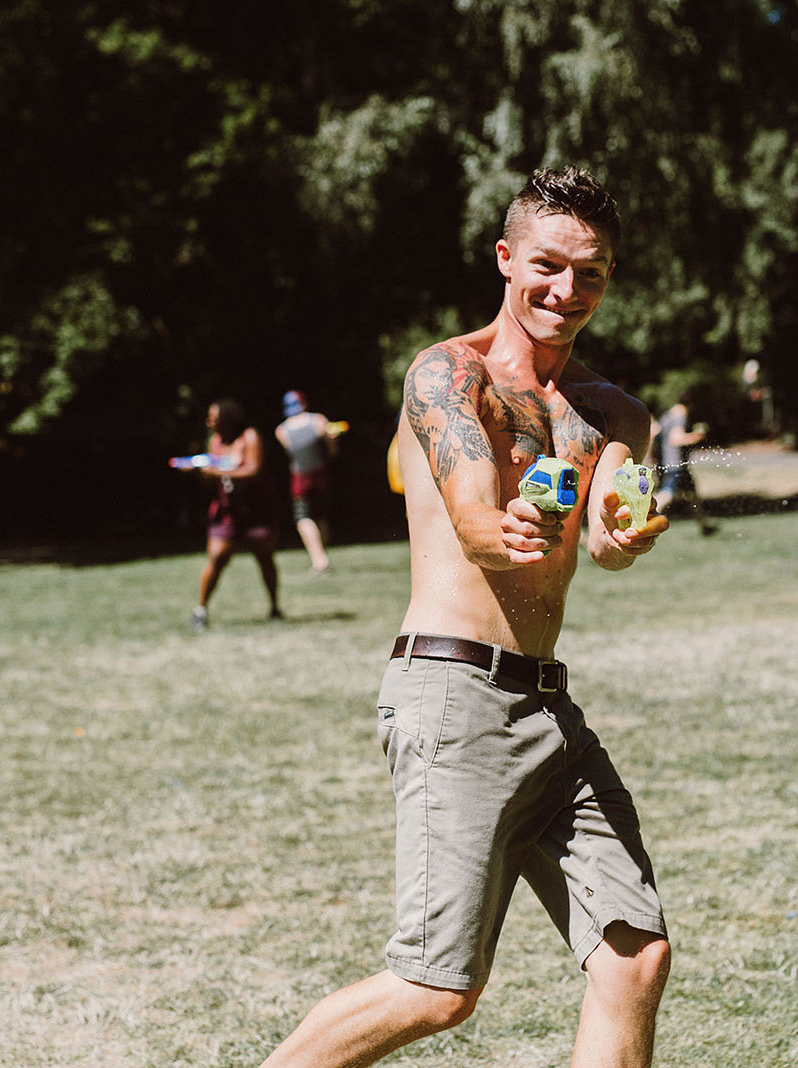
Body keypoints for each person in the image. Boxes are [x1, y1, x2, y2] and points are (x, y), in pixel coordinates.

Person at [257, 166, 671, 1068]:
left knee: (635, 955)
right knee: (438, 989)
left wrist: (622, 535)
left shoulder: (614, 414)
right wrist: (506, 525)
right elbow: (476, 516)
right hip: (455, 692)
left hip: (547, 706)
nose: (568, 291)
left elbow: (603, 538)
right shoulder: (451, 375)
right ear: (505, 259)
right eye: (548, 266)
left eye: (591, 272)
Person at [191, 398, 281, 630]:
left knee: (264, 557)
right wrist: (200, 473)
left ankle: (274, 607)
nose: (209, 421)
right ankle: (200, 610)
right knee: (217, 557)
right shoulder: (216, 441)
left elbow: (254, 470)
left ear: (228, 417)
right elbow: (212, 476)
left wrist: (214, 472)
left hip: (256, 509)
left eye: (214, 416)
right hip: (227, 510)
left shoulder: (249, 437)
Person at [274, 390, 343, 574]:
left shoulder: (281, 430)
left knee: (303, 517)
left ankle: (319, 560)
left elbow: (291, 453)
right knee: (321, 515)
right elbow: (332, 451)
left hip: (299, 477)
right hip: (320, 474)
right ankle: (322, 557)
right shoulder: (319, 421)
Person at [651, 393, 716, 535]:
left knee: (693, 494)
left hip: (669, 462)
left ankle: (704, 525)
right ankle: (646, 518)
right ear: (690, 404)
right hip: (675, 463)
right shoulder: (680, 416)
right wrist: (696, 437)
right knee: (667, 494)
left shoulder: (666, 416)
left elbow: (655, 434)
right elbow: (676, 439)